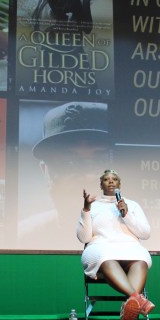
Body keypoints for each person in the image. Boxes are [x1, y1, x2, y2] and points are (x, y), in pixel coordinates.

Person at [18, 101, 111, 246]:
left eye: (100, 161)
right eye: (68, 164)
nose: (87, 176)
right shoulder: (22, 238)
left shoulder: (139, 234)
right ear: (45, 172)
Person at [77, 169, 154, 320]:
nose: (111, 181)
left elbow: (145, 233)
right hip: (100, 247)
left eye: (114, 179)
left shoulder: (131, 205)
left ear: (119, 184)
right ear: (101, 184)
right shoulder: (93, 206)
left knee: (141, 258)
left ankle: (131, 304)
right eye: (106, 179)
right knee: (105, 257)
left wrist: (126, 214)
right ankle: (137, 299)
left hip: (129, 247)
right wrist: (86, 209)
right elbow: (84, 238)